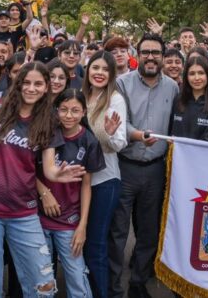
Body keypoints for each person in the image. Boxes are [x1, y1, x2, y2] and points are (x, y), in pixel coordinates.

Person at [0, 62, 86, 297]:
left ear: (46, 87)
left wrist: (59, 176)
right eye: (27, 82)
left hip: (24, 212)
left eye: (38, 84)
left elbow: (49, 169)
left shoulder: (49, 120)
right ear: (17, 84)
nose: (31, 88)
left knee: (43, 286)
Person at [110, 33, 178, 298]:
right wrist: (138, 135)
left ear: (163, 57)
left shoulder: (173, 87)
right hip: (124, 166)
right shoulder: (121, 83)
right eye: (146, 52)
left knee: (149, 230)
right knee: (118, 231)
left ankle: (138, 282)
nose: (151, 57)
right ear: (136, 55)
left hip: (156, 169)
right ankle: (113, 286)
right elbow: (116, 120)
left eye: (156, 53)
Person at [38, 89, 106, 298]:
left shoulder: (89, 141)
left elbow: (86, 186)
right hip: (37, 220)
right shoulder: (45, 134)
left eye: (75, 110)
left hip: (69, 220)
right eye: (64, 110)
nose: (69, 115)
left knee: (77, 278)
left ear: (84, 112)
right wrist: (44, 192)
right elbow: (27, 169)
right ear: (56, 110)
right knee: (42, 281)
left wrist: (82, 226)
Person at [81, 51, 127, 298]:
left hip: (104, 180)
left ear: (111, 74)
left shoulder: (115, 100)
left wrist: (109, 133)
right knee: (80, 241)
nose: (99, 73)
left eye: (104, 69)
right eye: (94, 67)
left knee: (96, 245)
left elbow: (120, 144)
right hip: (78, 181)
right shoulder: (80, 97)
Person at [170, 56, 208, 142]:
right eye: (192, 74)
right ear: (186, 76)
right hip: (176, 155)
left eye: (201, 73)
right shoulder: (178, 100)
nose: (197, 78)